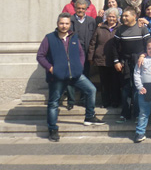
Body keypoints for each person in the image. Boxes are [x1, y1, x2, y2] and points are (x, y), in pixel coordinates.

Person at [36, 13, 105, 142]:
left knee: (91, 90)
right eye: (62, 23)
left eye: (67, 23)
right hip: (57, 76)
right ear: (57, 24)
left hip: (75, 74)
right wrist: (51, 69)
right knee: (53, 102)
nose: (64, 26)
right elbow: (40, 56)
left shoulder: (74, 37)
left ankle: (89, 116)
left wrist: (79, 65)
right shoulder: (49, 38)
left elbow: (80, 52)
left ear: (69, 24)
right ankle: (52, 128)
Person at [112, 7, 150, 122]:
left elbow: (148, 45)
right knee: (126, 89)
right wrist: (116, 61)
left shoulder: (142, 29)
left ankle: (138, 114)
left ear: (134, 16)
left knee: (138, 88)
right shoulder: (120, 30)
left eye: (126, 16)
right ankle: (125, 114)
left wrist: (143, 55)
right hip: (125, 63)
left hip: (139, 62)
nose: (123, 18)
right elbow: (114, 46)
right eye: (123, 16)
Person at [88, 7, 121, 108]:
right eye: (109, 16)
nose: (111, 18)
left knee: (115, 82)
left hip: (116, 61)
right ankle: (105, 102)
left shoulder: (120, 28)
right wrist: (91, 57)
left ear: (117, 18)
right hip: (102, 59)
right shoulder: (100, 28)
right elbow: (93, 43)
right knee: (104, 83)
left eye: (113, 17)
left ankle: (115, 102)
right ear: (106, 17)